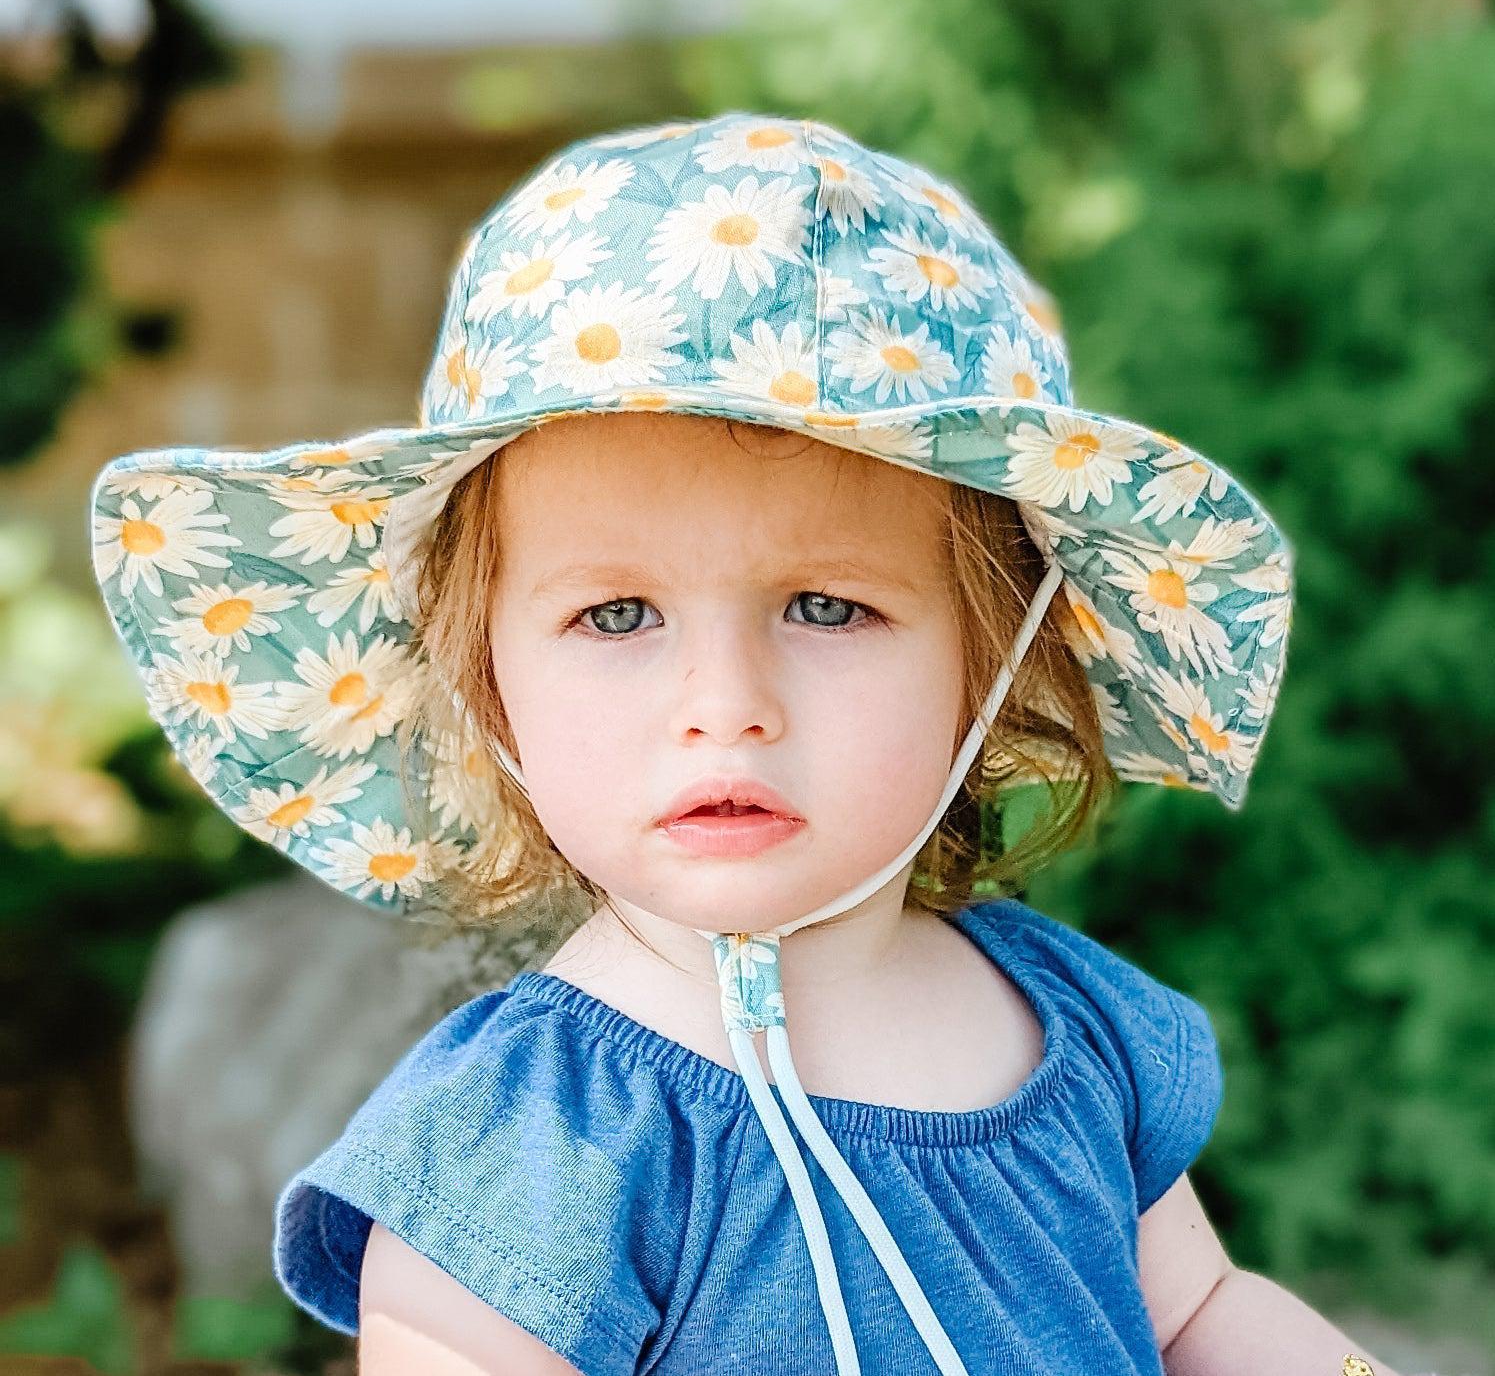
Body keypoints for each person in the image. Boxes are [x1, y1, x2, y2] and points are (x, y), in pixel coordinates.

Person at [89, 112, 1423, 1375]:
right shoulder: (529, 1144)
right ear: (483, 679)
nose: (725, 702)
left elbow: (1204, 1318)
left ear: (995, 659)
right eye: (617, 614)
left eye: (827, 606)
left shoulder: (1065, 1027)